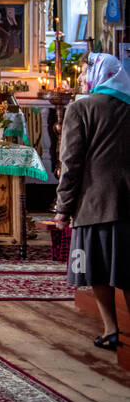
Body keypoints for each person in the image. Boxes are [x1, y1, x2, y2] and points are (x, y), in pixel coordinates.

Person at [54, 53, 130, 351]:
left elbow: (71, 163)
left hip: (94, 203)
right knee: (126, 268)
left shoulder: (81, 109)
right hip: (127, 203)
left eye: (87, 72)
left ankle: (111, 328)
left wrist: (63, 208)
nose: (84, 78)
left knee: (97, 269)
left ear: (100, 75)